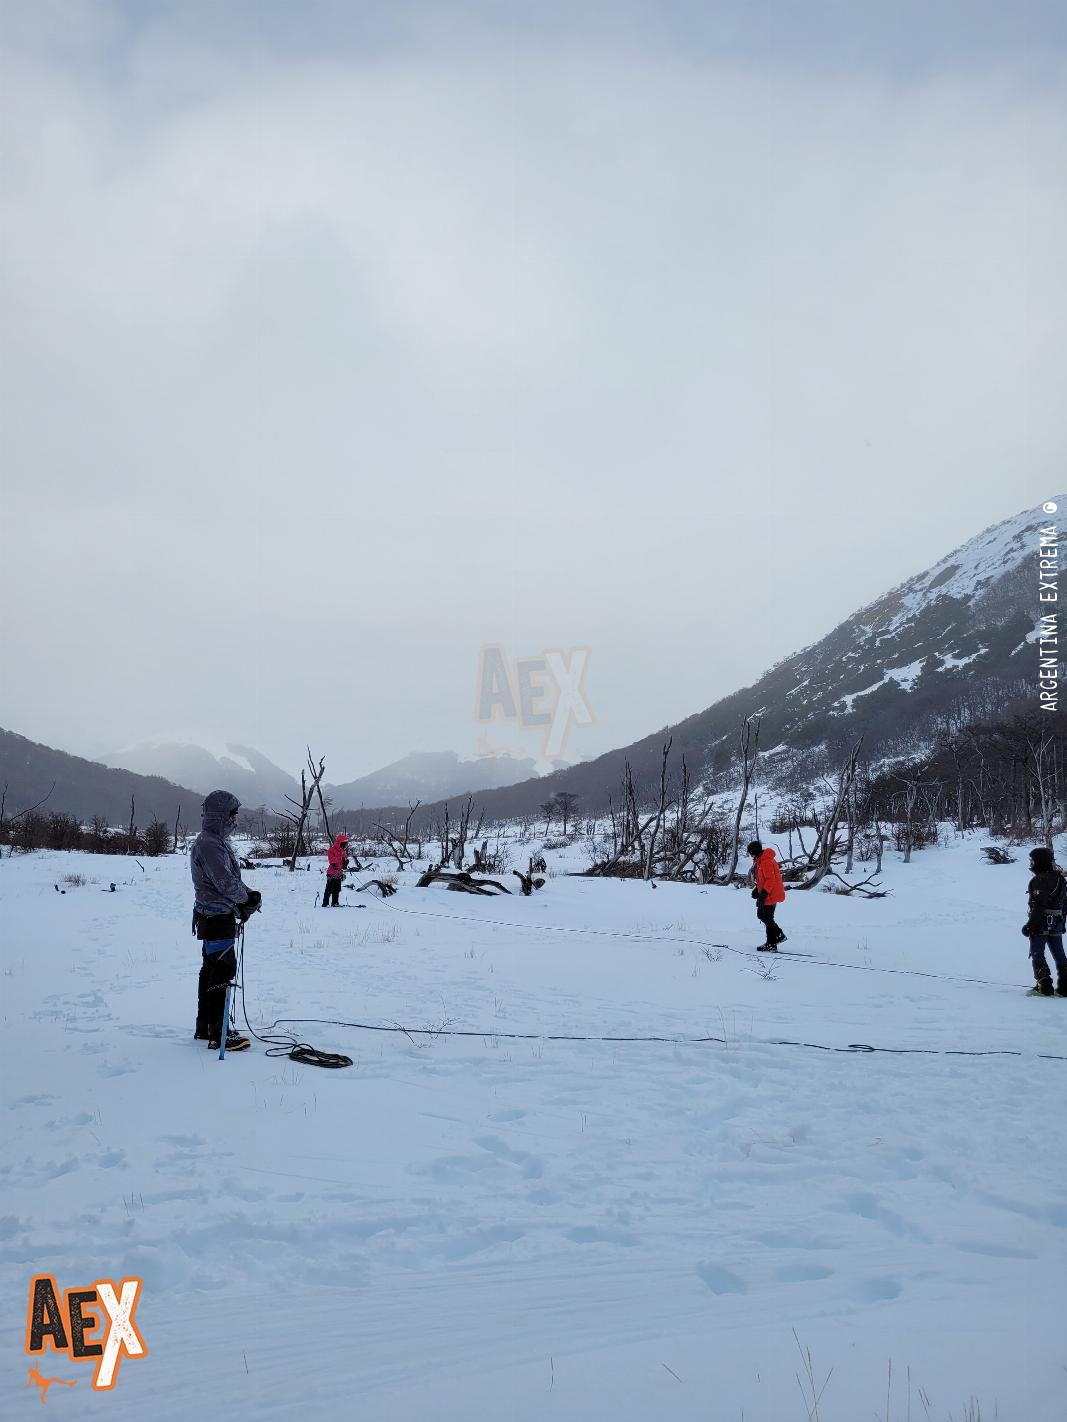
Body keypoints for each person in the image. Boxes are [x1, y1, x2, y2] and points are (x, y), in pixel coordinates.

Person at [190, 790, 261, 1049]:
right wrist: (247, 899)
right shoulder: (209, 843)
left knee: (211, 969)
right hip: (217, 916)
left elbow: (226, 882)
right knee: (221, 970)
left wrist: (245, 898)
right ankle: (219, 1034)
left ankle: (206, 1026)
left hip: (214, 913)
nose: (235, 819)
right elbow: (225, 882)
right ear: (220, 815)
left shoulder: (213, 841)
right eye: (232, 814)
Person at [1022, 845, 1067, 998]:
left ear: (1039, 861)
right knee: (1059, 954)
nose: (1031, 864)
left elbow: (1039, 905)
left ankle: (1044, 986)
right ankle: (1065, 987)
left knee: (1037, 953)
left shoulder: (1039, 880)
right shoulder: (1060, 879)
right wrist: (1063, 923)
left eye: (1032, 861)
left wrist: (1030, 925)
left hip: (1041, 922)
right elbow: (1064, 903)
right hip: (1058, 921)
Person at [747, 839, 787, 951]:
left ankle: (775, 939)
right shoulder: (761, 860)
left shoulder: (766, 861)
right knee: (762, 915)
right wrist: (757, 890)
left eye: (751, 853)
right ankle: (774, 940)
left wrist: (763, 894)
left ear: (755, 851)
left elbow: (770, 880)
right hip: (768, 892)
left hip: (771, 893)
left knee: (766, 917)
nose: (751, 855)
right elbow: (763, 879)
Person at [322, 832, 350, 907]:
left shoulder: (342, 851)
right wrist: (341, 858)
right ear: (339, 843)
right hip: (332, 873)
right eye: (344, 844)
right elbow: (331, 860)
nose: (345, 846)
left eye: (346, 844)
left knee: (337, 889)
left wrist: (345, 863)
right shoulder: (331, 850)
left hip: (339, 873)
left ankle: (335, 903)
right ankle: (325, 904)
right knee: (329, 890)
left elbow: (343, 862)